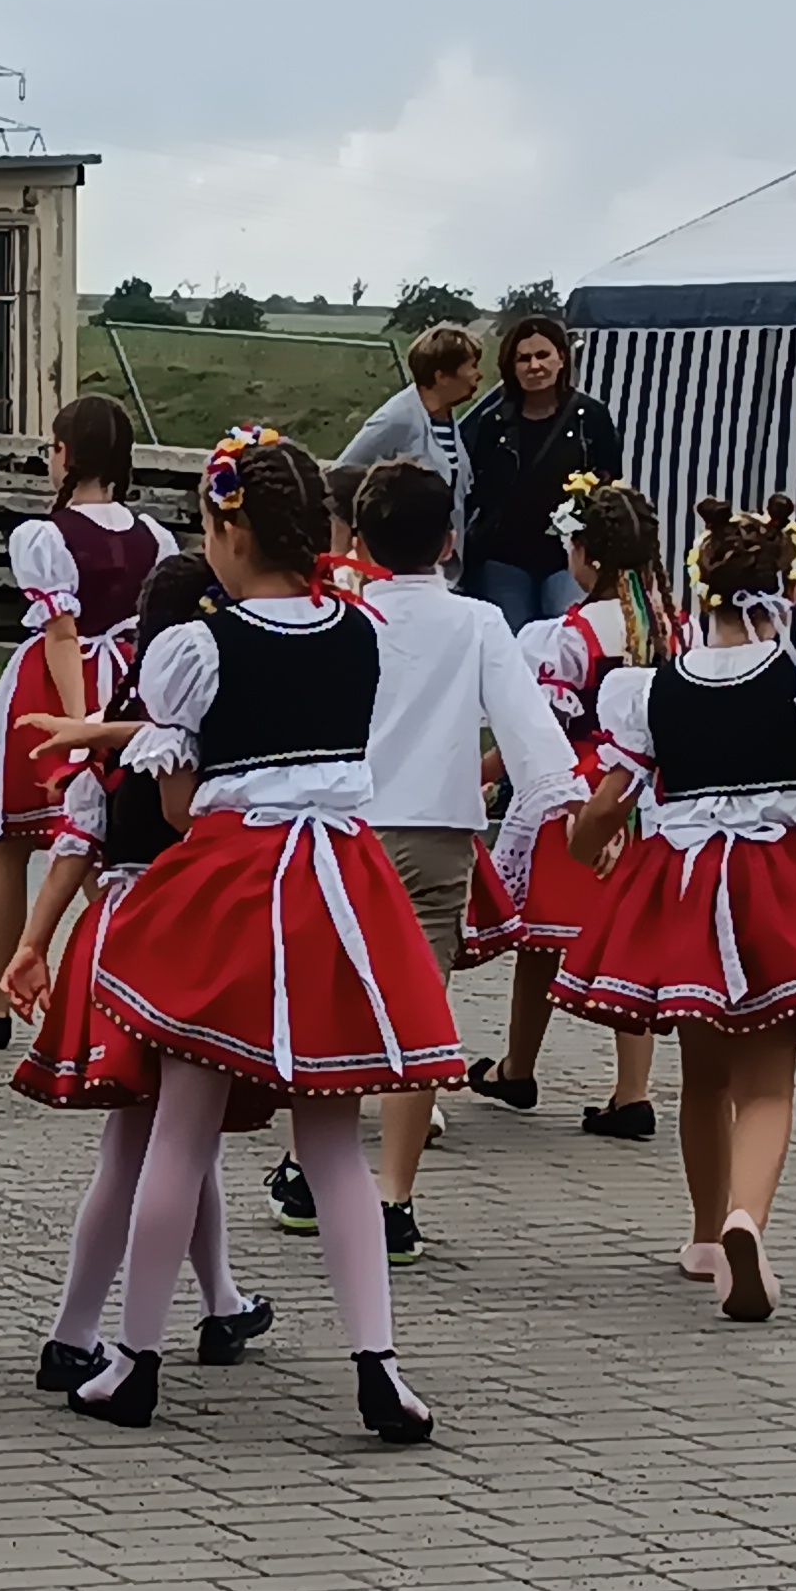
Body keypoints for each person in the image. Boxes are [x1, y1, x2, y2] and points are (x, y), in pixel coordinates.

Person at [73, 428, 467, 1444]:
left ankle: (135, 1360)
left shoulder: (196, 649)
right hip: (340, 885)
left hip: (235, 886)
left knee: (182, 1128)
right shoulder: (360, 631)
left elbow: (177, 810)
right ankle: (378, 1365)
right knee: (332, 1141)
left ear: (231, 532)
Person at [551, 494, 796, 1321]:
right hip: (772, 885)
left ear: (701, 587)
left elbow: (607, 804)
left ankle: (705, 1236)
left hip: (685, 887)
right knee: (766, 1086)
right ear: (784, 586)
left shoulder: (653, 690)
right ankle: (748, 1219)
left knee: (703, 1077)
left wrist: (587, 847)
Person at [291, 459, 576, 1266]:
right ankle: (394, 1199)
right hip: (436, 835)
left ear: (359, 540)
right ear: (450, 542)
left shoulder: (337, 614)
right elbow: (527, 727)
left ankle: (311, 1169)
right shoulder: (477, 622)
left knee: (333, 996)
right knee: (417, 1007)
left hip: (344, 827)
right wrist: (566, 800)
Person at [4, 551, 270, 1390]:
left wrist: (33, 942)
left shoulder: (121, 720)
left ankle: (217, 1302)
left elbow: (76, 846)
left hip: (114, 926)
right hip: (181, 933)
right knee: (154, 1144)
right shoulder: (205, 734)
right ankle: (79, 1330)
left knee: (171, 1142)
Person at [0, 396, 171, 1043]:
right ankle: (137, 989)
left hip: (55, 691)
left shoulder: (46, 536)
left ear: (66, 455)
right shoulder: (153, 537)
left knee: (11, 844)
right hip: (130, 680)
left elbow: (62, 631)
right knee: (105, 844)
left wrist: (80, 729)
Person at [474, 474, 674, 1136]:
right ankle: (633, 1091)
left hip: (583, 790)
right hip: (650, 795)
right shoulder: (674, 629)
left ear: (585, 553)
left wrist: (486, 771)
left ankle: (519, 1066)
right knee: (631, 939)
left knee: (540, 942)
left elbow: (543, 726)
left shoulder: (570, 633)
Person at [456, 313, 622, 628]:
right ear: (511, 367)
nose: (535, 366)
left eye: (543, 355)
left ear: (562, 358)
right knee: (514, 642)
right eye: (524, 358)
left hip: (570, 558)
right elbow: (473, 488)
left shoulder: (592, 417)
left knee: (572, 638)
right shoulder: (492, 423)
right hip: (504, 559)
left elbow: (611, 481)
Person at [333, 322, 485, 533]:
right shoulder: (398, 418)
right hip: (400, 548)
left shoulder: (445, 417)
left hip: (441, 549)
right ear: (442, 377)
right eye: (472, 366)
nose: (479, 374)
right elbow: (341, 477)